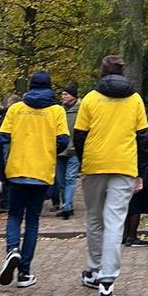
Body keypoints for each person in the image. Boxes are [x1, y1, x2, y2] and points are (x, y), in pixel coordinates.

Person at [73, 54, 148, 296]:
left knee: (94, 219)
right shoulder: (135, 99)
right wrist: (139, 170)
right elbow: (142, 137)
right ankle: (108, 281)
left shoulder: (91, 99)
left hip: (95, 164)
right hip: (124, 164)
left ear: (102, 72)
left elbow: (80, 135)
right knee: (115, 221)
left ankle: (94, 270)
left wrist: (85, 161)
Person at [0, 71, 69, 289]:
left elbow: (2, 138)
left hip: (17, 169)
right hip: (41, 172)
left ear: (30, 87)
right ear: (49, 87)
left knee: (14, 215)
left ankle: (12, 250)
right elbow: (64, 140)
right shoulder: (57, 111)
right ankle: (25, 273)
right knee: (32, 221)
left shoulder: (16, 109)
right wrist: (48, 150)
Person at [123, 124, 148, 247]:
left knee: (128, 204)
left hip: (126, 169)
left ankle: (125, 234)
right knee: (138, 205)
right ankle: (132, 236)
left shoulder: (126, 129)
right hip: (143, 170)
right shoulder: (146, 132)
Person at [55, 85, 81, 220]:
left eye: (66, 94)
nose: (63, 97)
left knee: (70, 178)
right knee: (61, 181)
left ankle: (67, 206)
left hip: (73, 150)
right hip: (59, 150)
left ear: (73, 96)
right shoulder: (58, 111)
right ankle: (67, 204)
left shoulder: (81, 111)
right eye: (62, 94)